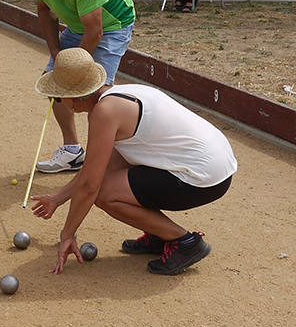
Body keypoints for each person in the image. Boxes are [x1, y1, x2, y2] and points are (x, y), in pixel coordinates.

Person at [28, 48, 237, 276]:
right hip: (216, 167)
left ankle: (185, 242)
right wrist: (58, 197)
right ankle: (159, 234)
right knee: (116, 174)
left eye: (57, 97)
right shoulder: (121, 94)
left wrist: (67, 234)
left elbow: (90, 186)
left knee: (105, 193)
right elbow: (99, 167)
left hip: (201, 179)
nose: (57, 101)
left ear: (74, 98)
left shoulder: (104, 112)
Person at [12, 0, 135, 174]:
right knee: (54, 85)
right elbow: (44, 10)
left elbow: (95, 31)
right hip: (78, 27)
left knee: (97, 95)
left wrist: (73, 68)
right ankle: (72, 152)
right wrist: (56, 52)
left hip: (112, 26)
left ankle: (102, 162)